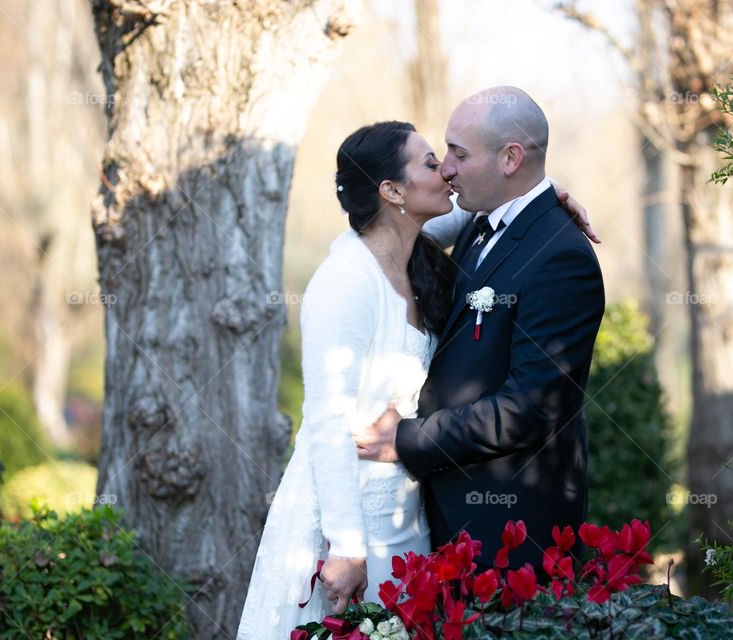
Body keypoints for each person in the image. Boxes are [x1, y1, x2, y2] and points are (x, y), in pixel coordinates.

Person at [236, 119, 595, 638]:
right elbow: (326, 422)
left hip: (410, 515)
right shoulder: (345, 282)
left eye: (450, 158)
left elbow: (494, 212)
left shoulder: (414, 250)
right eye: (431, 162)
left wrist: (547, 197)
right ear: (391, 190)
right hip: (349, 516)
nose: (447, 172)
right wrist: (345, 546)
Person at [355, 87, 606, 575]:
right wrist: (547, 192)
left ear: (511, 158)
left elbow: (528, 408)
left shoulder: (562, 259)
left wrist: (407, 440)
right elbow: (386, 238)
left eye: (459, 154)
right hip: (446, 515)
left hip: (507, 532)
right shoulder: (478, 221)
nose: (445, 167)